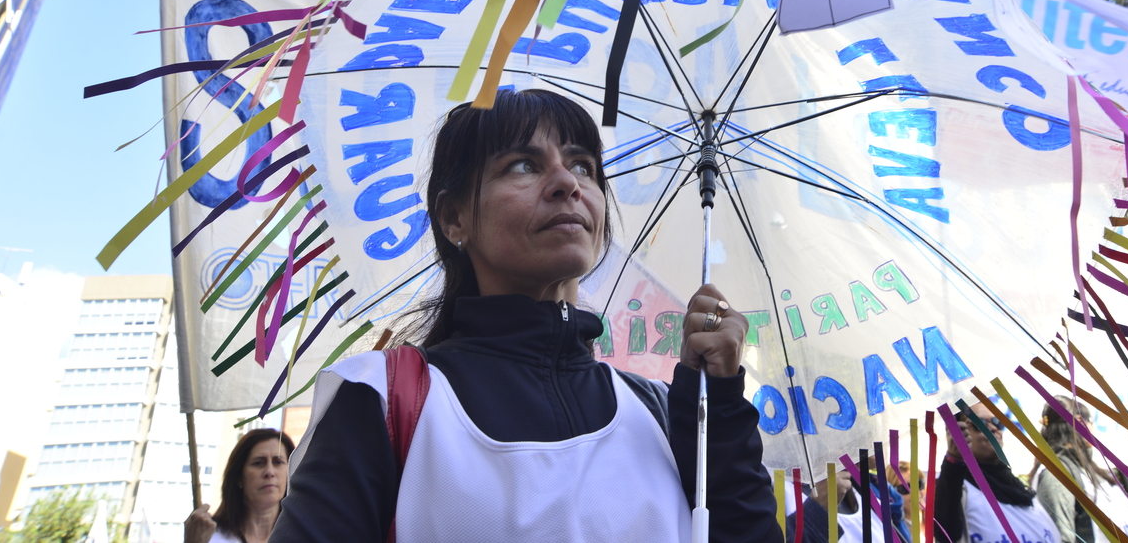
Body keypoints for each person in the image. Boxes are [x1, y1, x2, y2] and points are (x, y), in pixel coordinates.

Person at [270, 89, 781, 542]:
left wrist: (718, 408)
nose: (567, 183)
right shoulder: (380, 400)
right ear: (453, 218)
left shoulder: (664, 413)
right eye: (522, 165)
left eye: (583, 166)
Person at [933, 402, 1059, 543]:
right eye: (979, 423)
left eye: (997, 422)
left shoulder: (1022, 492)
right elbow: (944, 532)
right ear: (957, 431)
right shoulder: (956, 488)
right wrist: (954, 462)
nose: (993, 428)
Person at [1035, 396, 1128, 543]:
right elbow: (1062, 537)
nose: (1091, 426)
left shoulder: (1090, 470)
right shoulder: (1057, 476)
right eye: (1087, 420)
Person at [184, 428, 293, 543]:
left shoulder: (300, 536)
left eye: (278, 462)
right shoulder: (207, 537)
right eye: (258, 463)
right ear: (239, 476)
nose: (269, 472)